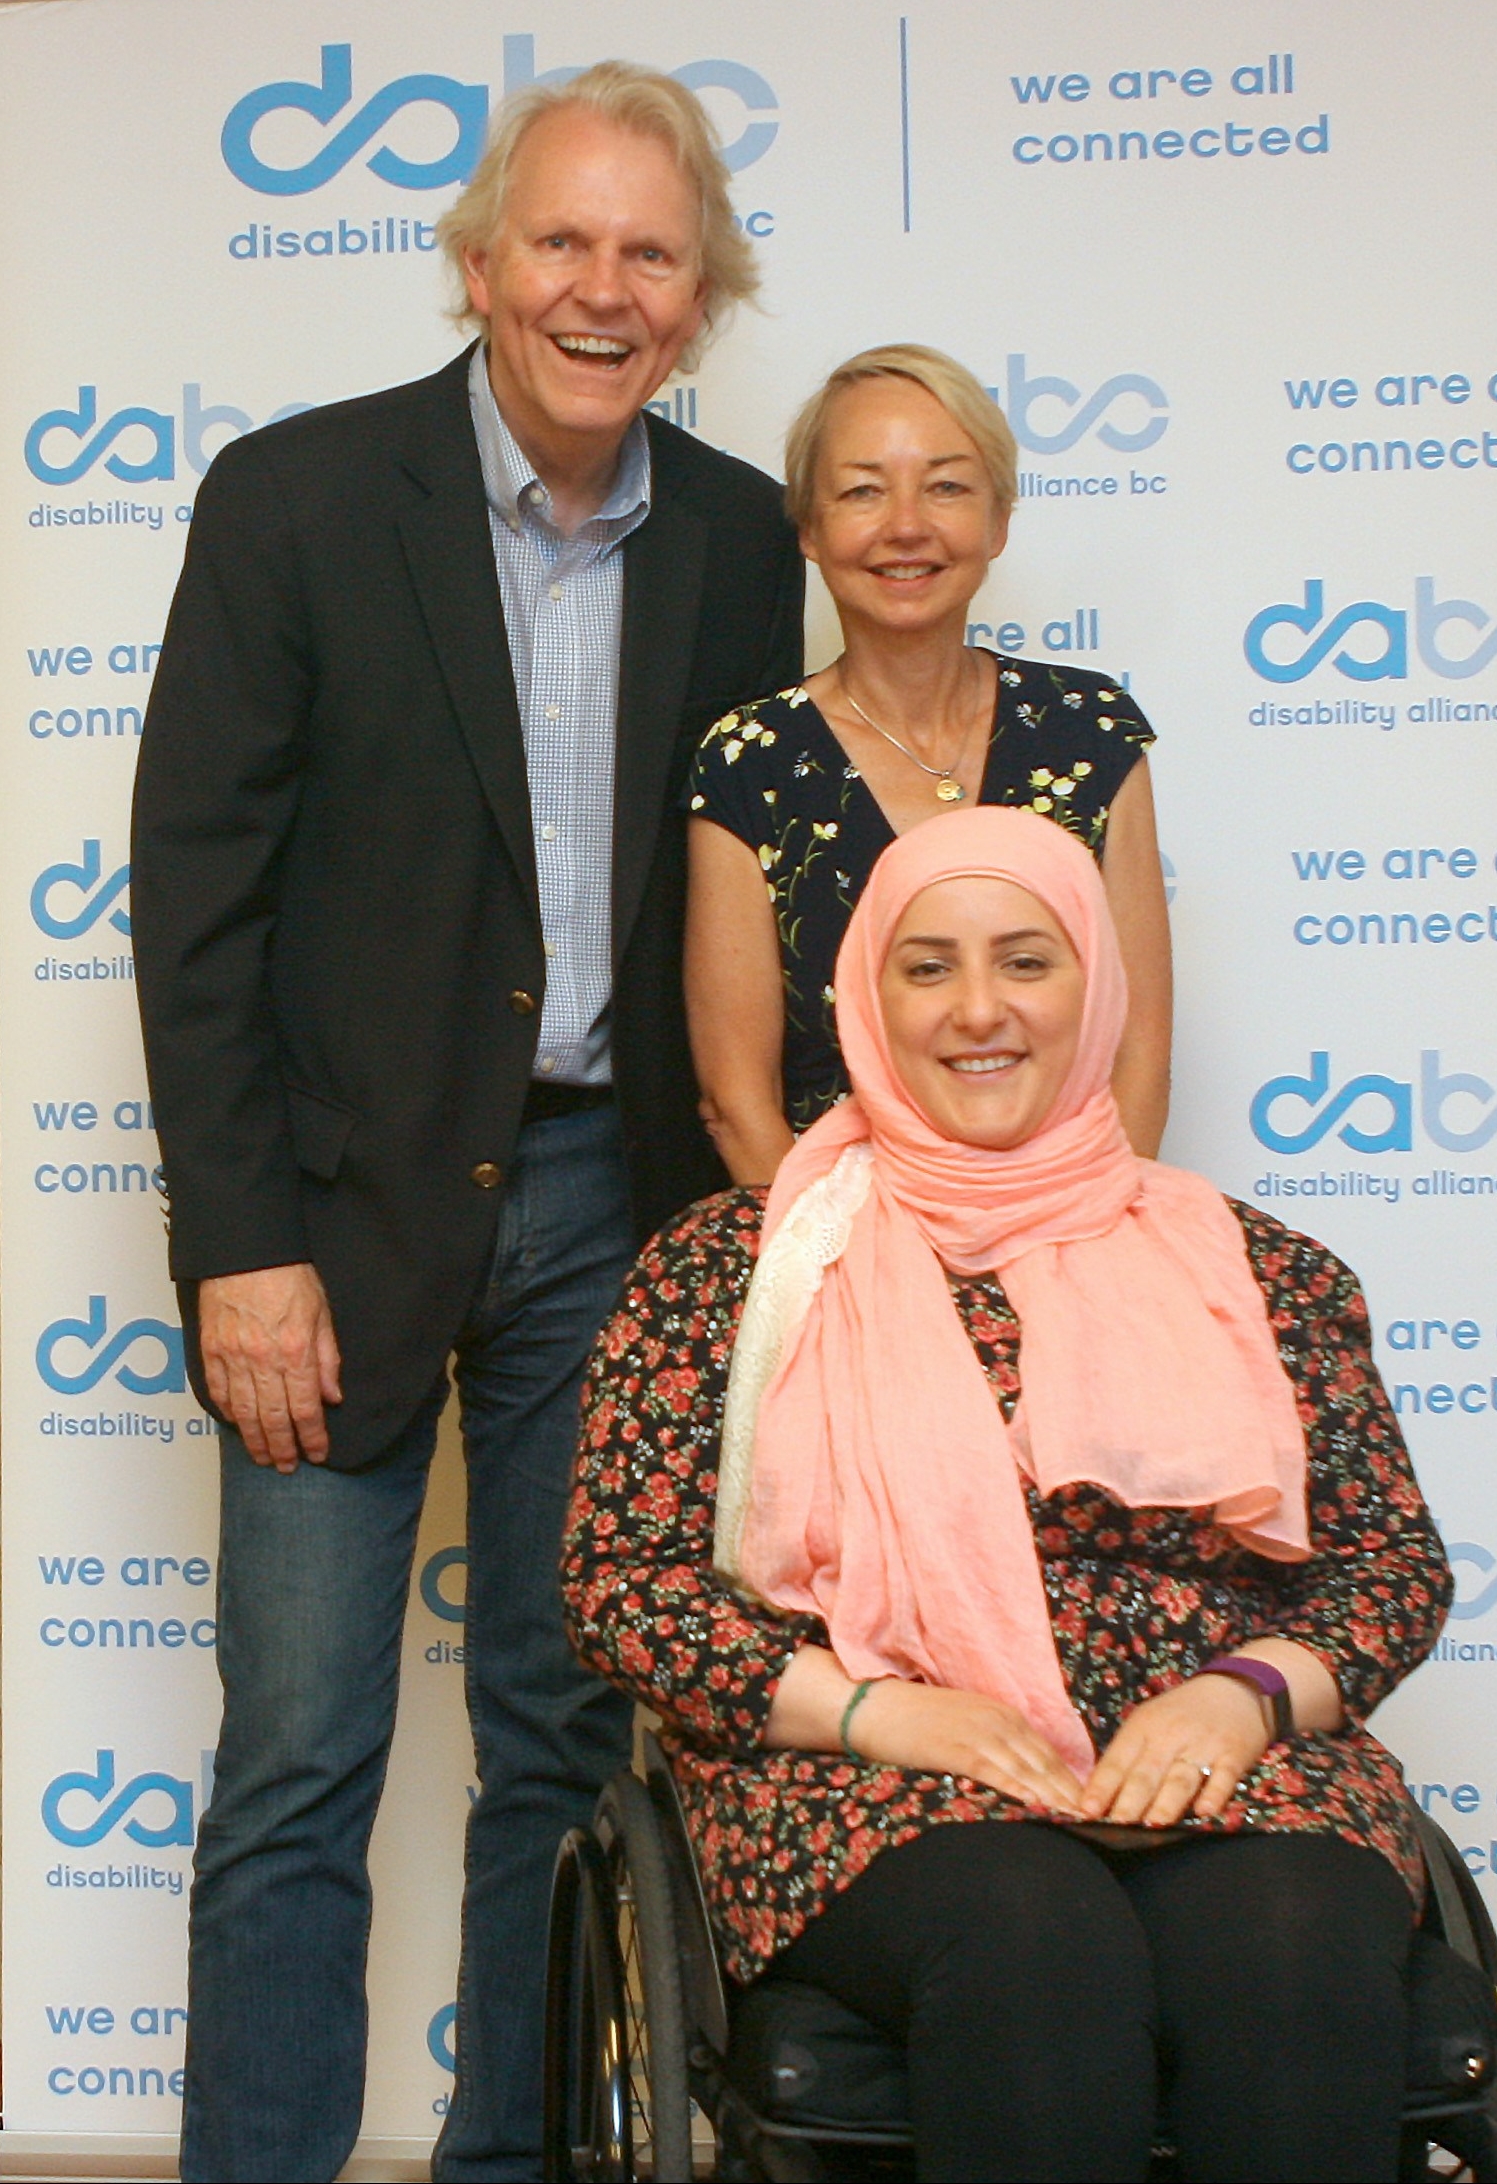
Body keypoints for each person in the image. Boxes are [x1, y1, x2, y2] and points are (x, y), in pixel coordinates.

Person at [130, 60, 803, 2184]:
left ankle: (514, 2163)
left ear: (699, 301)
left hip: (619, 1208)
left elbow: (747, 883)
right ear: (480, 265)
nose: (602, 291)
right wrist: (241, 1246)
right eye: (563, 243)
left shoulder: (739, 536)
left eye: (651, 254)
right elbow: (197, 898)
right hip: (330, 1221)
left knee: (562, 1747)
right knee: (301, 1761)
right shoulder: (298, 500)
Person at [564, 807, 1453, 2183]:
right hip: (861, 1766)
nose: (977, 1009)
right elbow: (625, 1590)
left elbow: (1385, 1568)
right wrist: (880, 1712)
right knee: (1037, 1946)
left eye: (1025, 962)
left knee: (1291, 1955)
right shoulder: (732, 1266)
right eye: (927, 968)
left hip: (1219, 1752)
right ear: (864, 993)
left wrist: (1241, 1694)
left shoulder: (1258, 1269)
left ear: (1092, 984)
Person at [684, 344, 1172, 1181]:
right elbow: (740, 1103)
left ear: (998, 521)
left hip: (1069, 1250)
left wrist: (1056, 1262)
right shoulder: (748, 761)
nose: (906, 525)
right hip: (838, 1263)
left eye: (946, 486)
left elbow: (1138, 1060)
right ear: (808, 526)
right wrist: (855, 1283)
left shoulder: (1090, 733)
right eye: (863, 490)